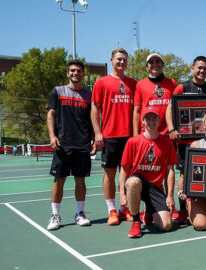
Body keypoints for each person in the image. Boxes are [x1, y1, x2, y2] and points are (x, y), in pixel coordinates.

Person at [166, 56, 206, 224]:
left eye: (205, 68)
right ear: (192, 68)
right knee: (183, 173)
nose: (202, 71)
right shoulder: (182, 87)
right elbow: (170, 108)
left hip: (205, 140)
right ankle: (182, 209)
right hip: (184, 140)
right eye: (199, 67)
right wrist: (172, 129)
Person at [46, 60, 96, 230]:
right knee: (59, 180)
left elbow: (93, 119)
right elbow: (51, 114)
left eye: (79, 71)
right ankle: (55, 216)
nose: (76, 73)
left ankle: (80, 214)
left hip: (82, 144)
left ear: (83, 74)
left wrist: (95, 139)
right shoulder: (58, 91)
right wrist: (52, 136)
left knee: (80, 180)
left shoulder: (89, 95)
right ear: (68, 73)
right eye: (73, 70)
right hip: (62, 144)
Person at [91, 48, 137, 225]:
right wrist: (97, 132)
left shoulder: (133, 83)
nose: (122, 62)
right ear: (111, 60)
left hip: (129, 137)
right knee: (109, 174)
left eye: (124, 60)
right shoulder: (101, 82)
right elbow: (95, 108)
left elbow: (137, 110)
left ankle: (125, 209)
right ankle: (111, 210)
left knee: (128, 176)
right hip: (110, 136)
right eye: (119, 59)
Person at [119, 106, 178, 238]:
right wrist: (122, 194)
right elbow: (124, 170)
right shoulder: (132, 142)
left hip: (155, 188)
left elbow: (170, 171)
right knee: (133, 182)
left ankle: (149, 211)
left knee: (167, 226)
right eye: (148, 118)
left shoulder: (167, 142)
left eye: (154, 118)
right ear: (143, 121)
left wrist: (170, 196)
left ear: (159, 120)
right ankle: (135, 221)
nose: (151, 121)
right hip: (137, 183)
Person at [133, 53, 177, 136]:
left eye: (158, 61)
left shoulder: (172, 83)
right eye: (151, 62)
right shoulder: (140, 84)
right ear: (147, 67)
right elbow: (137, 111)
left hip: (168, 134)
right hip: (147, 133)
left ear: (163, 65)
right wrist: (135, 135)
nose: (155, 64)